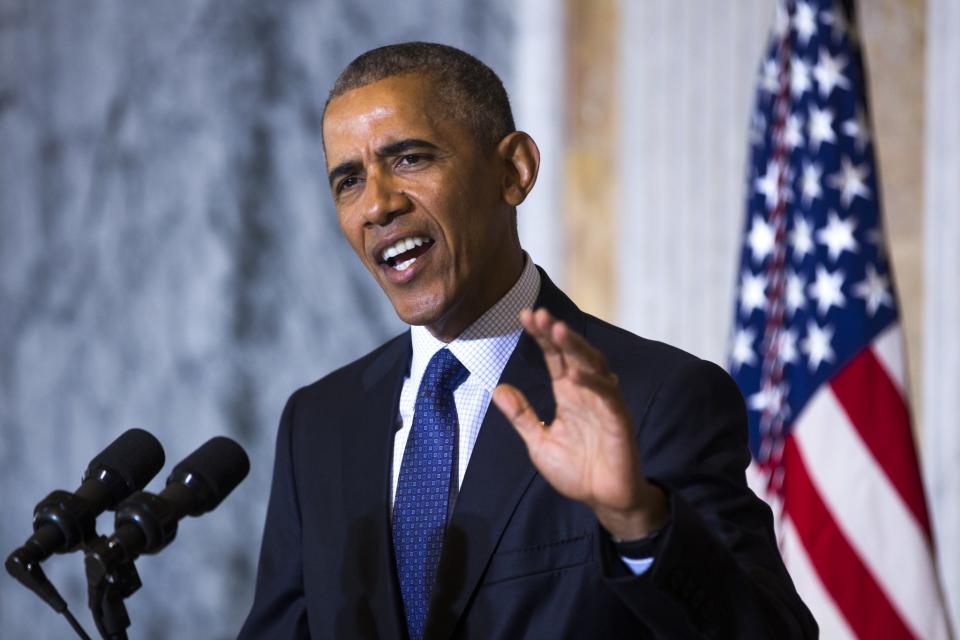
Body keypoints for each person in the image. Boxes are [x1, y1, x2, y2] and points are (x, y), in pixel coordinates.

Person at [238, 42, 816, 639]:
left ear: (514, 170)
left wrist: (637, 520)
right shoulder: (320, 422)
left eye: (409, 158)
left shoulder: (654, 399)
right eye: (348, 180)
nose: (378, 204)